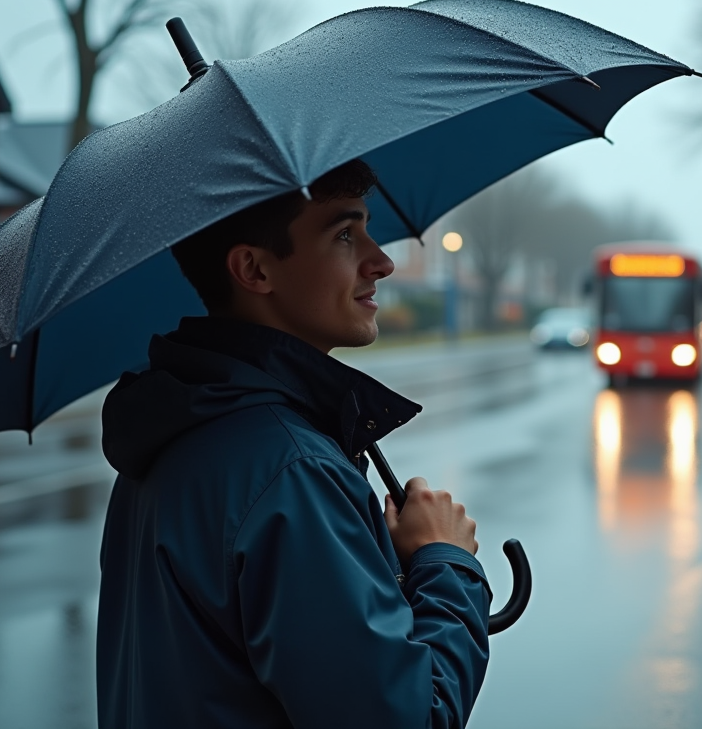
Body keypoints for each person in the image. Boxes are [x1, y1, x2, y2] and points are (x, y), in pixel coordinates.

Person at [96, 159, 490, 729]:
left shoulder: (174, 433)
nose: (380, 261)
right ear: (254, 269)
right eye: (345, 235)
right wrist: (445, 562)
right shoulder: (290, 472)